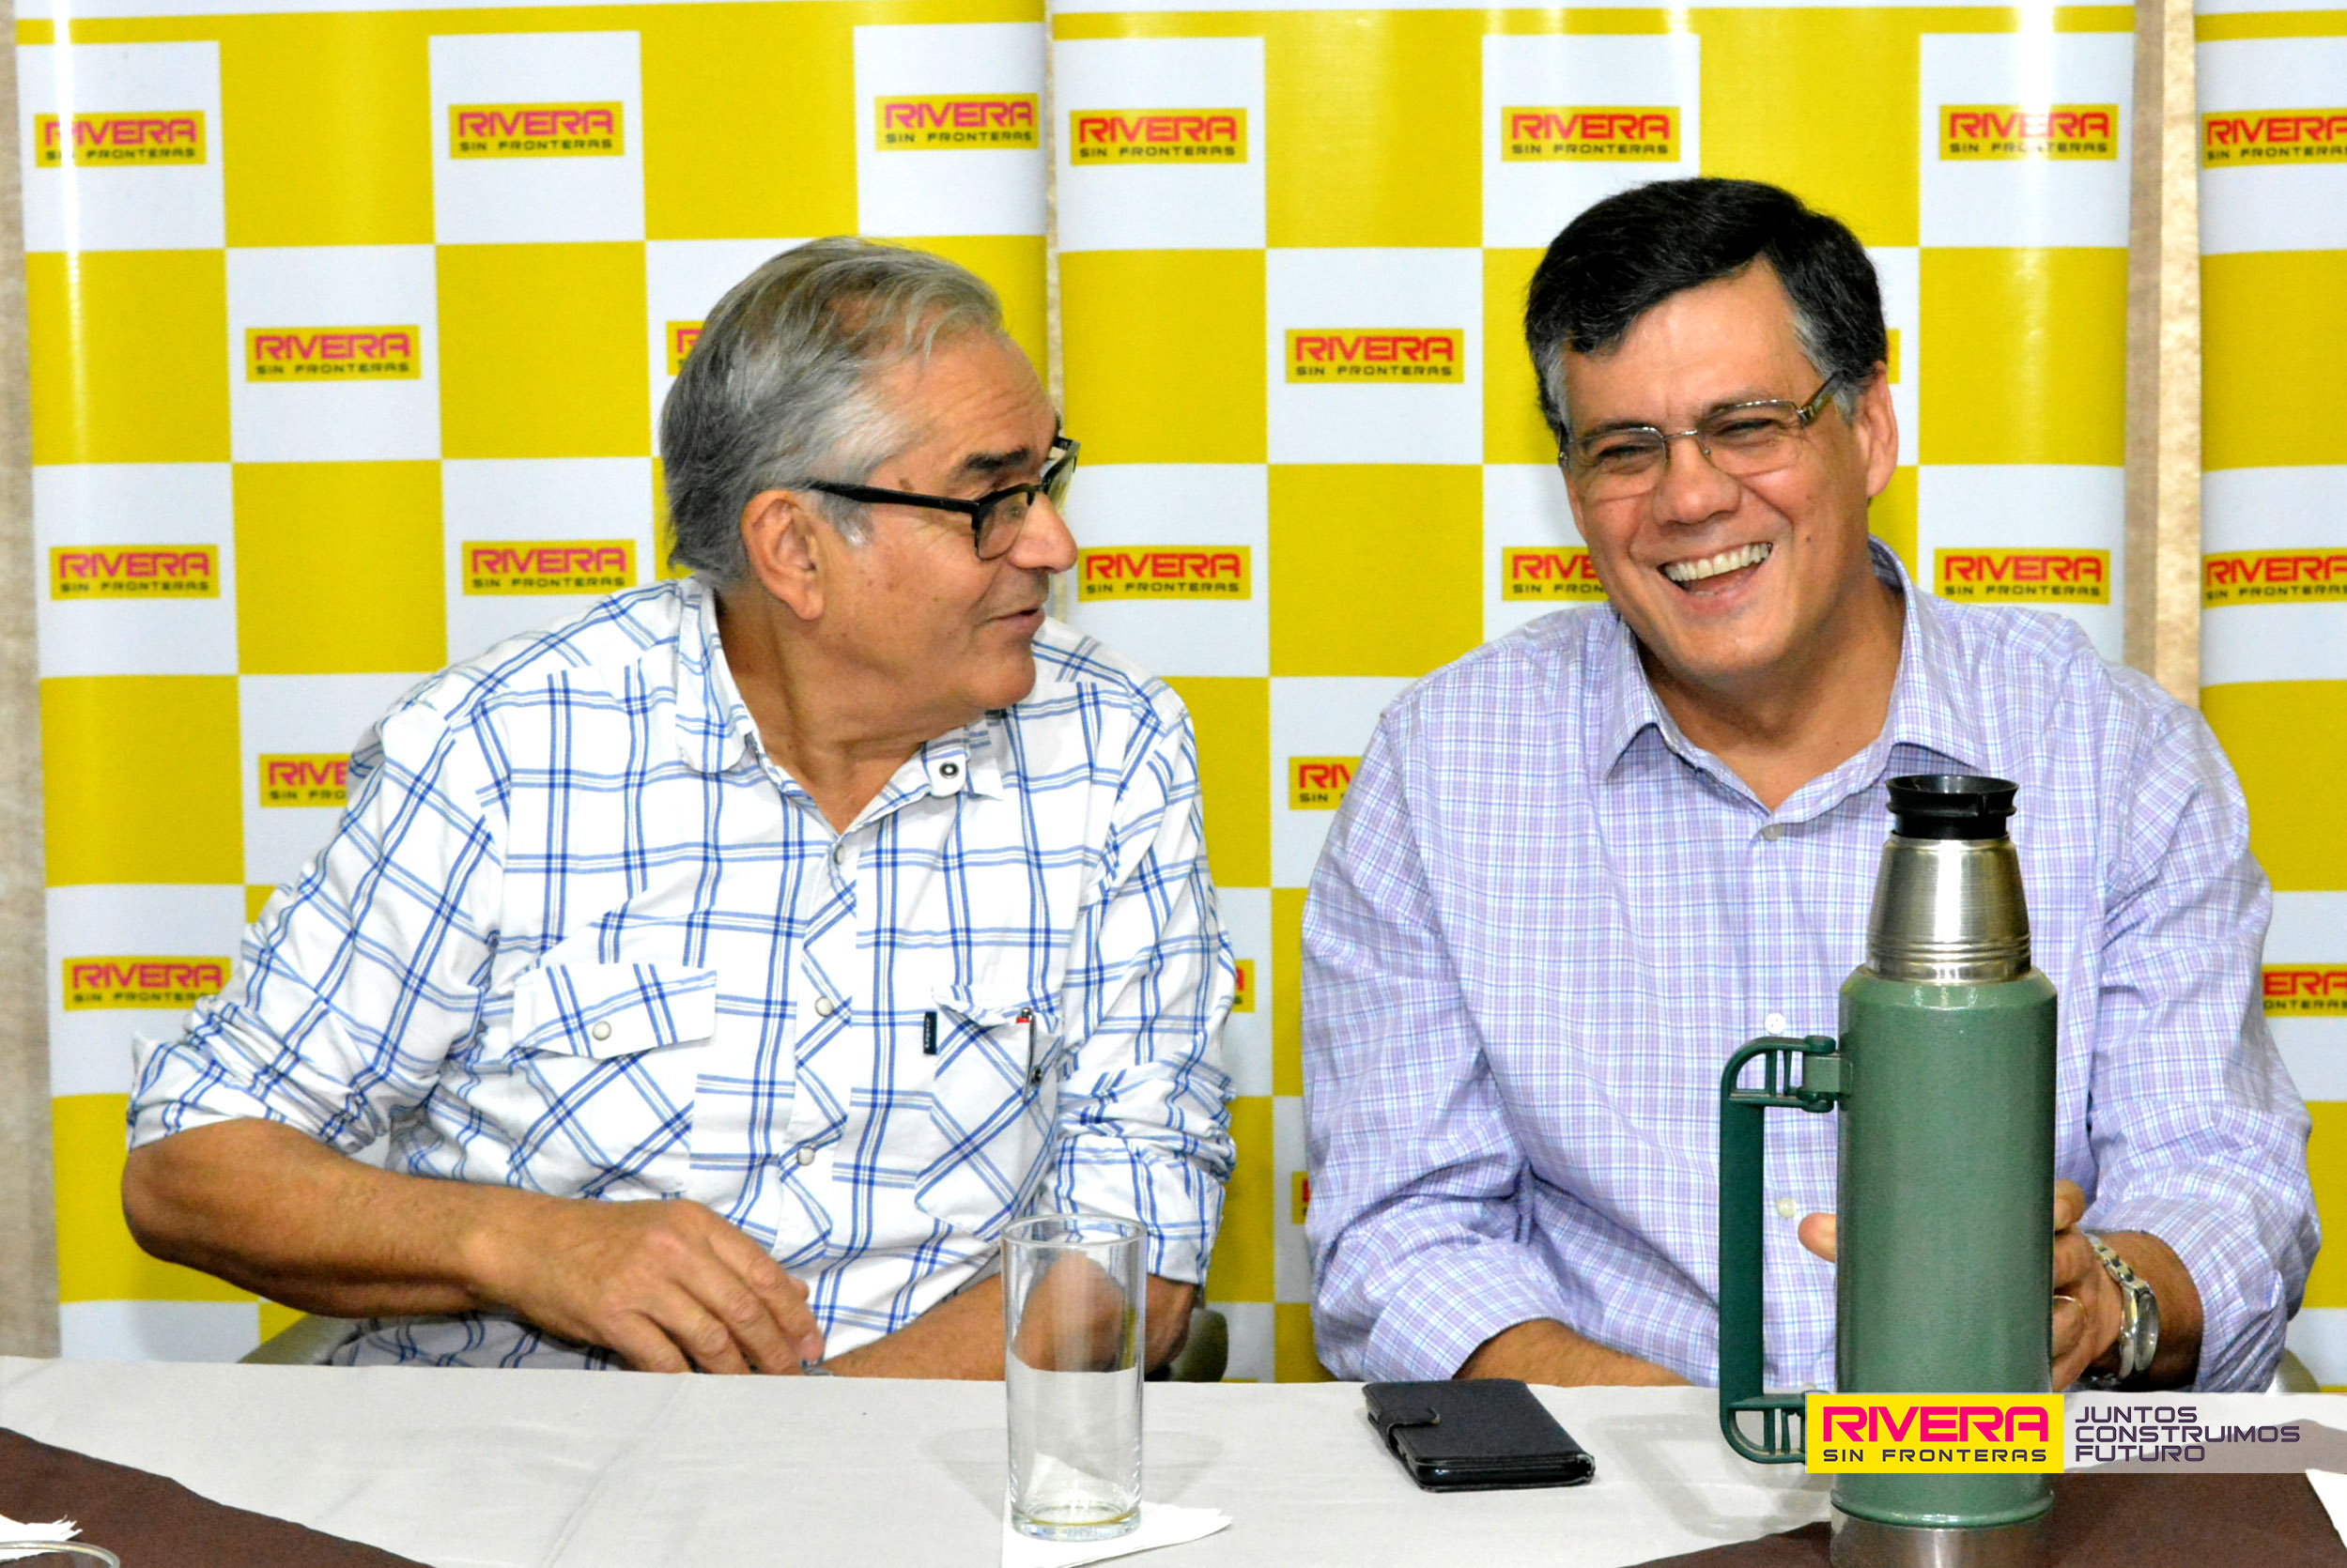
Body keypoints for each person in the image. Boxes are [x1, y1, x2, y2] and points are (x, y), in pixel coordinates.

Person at [124, 238, 1236, 1375]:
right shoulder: (505, 749)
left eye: (1048, 478)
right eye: (991, 499)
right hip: (506, 1454)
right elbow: (187, 1164)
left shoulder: (1112, 747)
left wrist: (790, 1451)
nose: (1053, 542)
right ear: (794, 549)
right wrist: (520, 1242)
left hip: (915, 1451)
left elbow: (1133, 1246)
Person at [1301, 178, 2315, 1393]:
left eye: (1746, 426)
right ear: (1571, 488)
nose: (1688, 497)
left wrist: (2107, 1297)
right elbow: (1399, 1242)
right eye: (1625, 449)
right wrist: (1693, 1448)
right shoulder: (1441, 772)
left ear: (1870, 427)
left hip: (2018, 1461)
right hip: (1609, 1474)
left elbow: (2222, 1183)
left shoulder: (2112, 752)